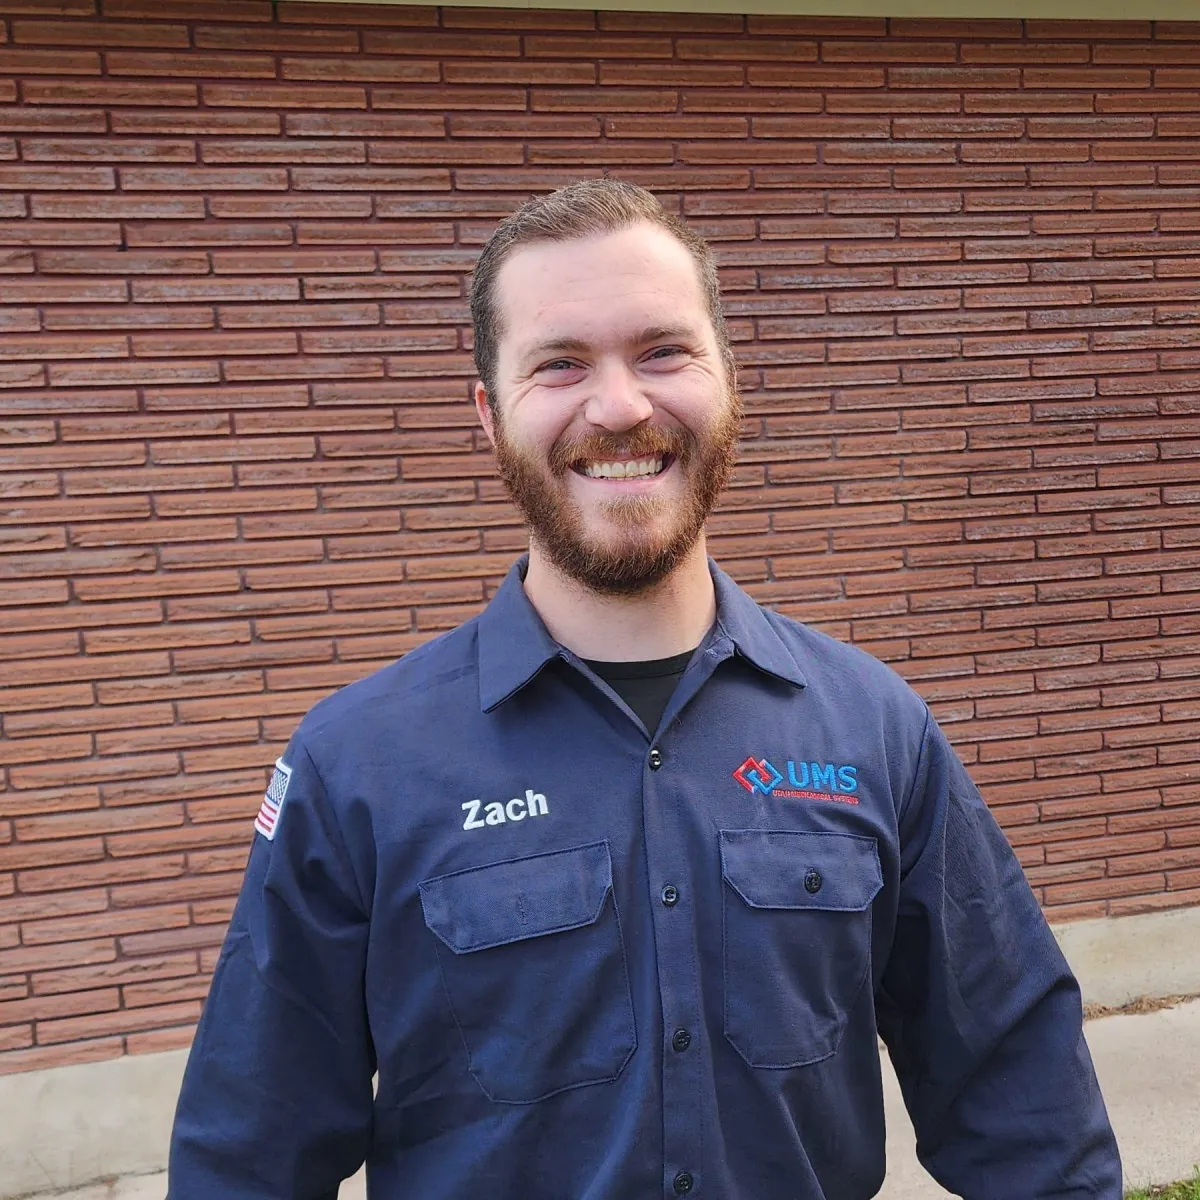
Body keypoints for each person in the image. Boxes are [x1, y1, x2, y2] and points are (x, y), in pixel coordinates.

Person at [168, 179, 1121, 1199]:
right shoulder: (356, 762)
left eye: (663, 352)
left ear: (727, 379)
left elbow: (1024, 1103)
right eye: (560, 363)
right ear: (489, 414)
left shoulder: (875, 728)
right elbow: (247, 1156)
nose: (619, 407)